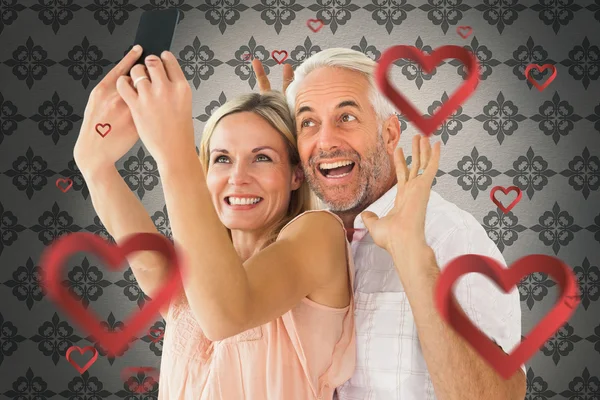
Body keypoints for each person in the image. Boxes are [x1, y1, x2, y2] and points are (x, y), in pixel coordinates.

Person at [73, 45, 356, 399]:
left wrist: (173, 148)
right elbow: (149, 263)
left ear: (296, 174)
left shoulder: (319, 233)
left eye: (263, 158)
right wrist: (91, 161)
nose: (238, 177)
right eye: (222, 158)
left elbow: (227, 314)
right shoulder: (191, 276)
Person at [253, 48, 527, 399]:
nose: (325, 141)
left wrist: (416, 261)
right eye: (307, 122)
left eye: (346, 117)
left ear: (389, 134)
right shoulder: (296, 237)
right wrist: (262, 148)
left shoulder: (451, 236)